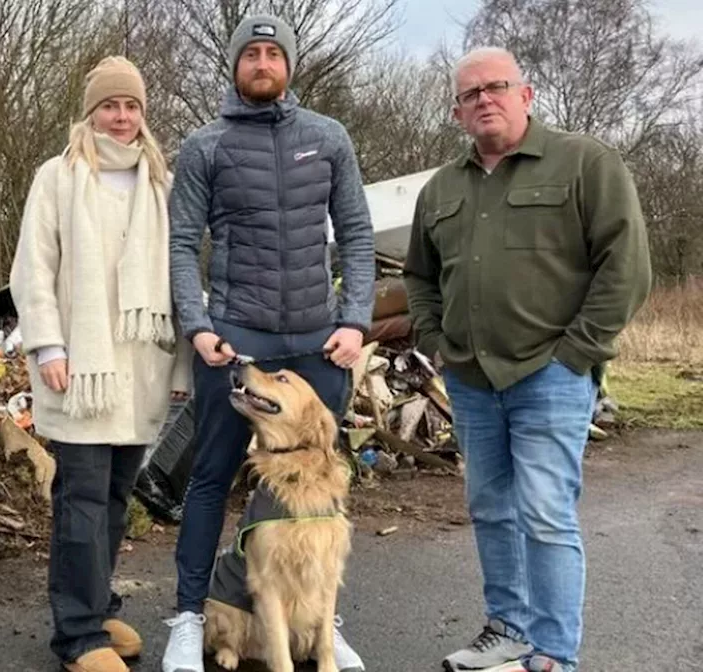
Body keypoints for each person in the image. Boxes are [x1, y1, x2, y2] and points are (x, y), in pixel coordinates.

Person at [403, 47, 652, 672]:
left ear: (526, 94)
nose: (484, 99)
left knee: (545, 514)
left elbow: (626, 266)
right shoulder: (440, 189)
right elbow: (419, 277)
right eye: (470, 94)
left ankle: (554, 655)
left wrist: (577, 354)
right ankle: (508, 632)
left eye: (497, 87)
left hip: (550, 374)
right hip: (471, 379)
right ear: (457, 112)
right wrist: (437, 343)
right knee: (490, 508)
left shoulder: (584, 163)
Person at [160, 14, 374, 672]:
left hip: (319, 343)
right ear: (235, 67)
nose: (261, 62)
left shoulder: (329, 138)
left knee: (324, 482)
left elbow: (358, 235)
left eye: (271, 53)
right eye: (249, 54)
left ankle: (321, 621)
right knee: (210, 478)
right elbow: (181, 243)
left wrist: (355, 318)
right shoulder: (205, 146)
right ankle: (191, 619)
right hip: (239, 339)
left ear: (289, 65)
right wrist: (197, 325)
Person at [9, 55, 194, 672]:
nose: (121, 117)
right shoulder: (56, 177)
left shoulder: (160, 182)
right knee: (81, 499)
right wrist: (48, 346)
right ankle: (78, 635)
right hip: (80, 370)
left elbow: (175, 282)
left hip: (139, 371)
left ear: (143, 114)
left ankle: (99, 604)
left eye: (132, 106)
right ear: (91, 112)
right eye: (110, 106)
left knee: (116, 497)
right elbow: (33, 269)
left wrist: (178, 372)